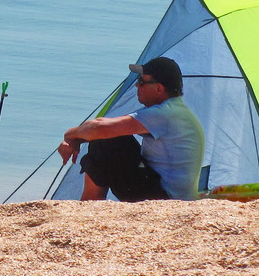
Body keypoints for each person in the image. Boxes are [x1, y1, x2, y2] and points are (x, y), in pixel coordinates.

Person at [58, 57, 205, 202]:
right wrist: (77, 138)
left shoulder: (163, 114)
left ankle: (90, 203)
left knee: (105, 140)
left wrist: (70, 136)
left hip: (166, 198)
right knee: (109, 136)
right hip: (167, 192)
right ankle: (91, 202)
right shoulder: (174, 110)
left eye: (141, 82)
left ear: (159, 88)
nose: (136, 85)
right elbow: (104, 127)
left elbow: (99, 128)